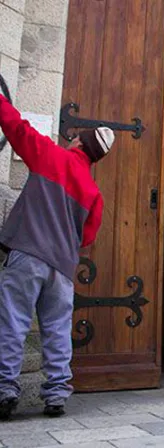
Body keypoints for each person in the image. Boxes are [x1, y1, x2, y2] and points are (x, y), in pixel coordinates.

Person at [0, 93, 114, 420]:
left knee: (13, 320)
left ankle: (5, 390)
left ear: (79, 142)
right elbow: (87, 237)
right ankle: (57, 394)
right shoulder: (93, 193)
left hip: (29, 253)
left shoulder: (50, 156)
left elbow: (15, 127)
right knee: (58, 329)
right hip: (62, 268)